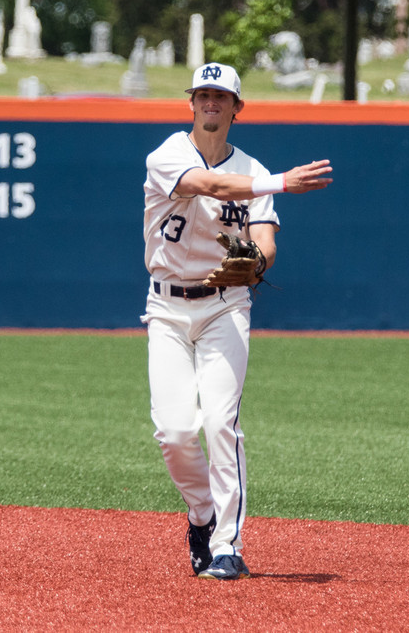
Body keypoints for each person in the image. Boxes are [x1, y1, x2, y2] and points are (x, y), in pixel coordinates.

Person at [141, 62, 333, 580]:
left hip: (225, 305)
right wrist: (282, 182)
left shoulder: (254, 169)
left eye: (220, 96)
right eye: (202, 94)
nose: (210, 103)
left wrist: (259, 263)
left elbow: (266, 240)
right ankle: (202, 514)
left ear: (235, 108)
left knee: (221, 424)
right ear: (191, 103)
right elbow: (212, 185)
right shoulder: (168, 156)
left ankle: (227, 543)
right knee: (175, 431)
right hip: (166, 307)